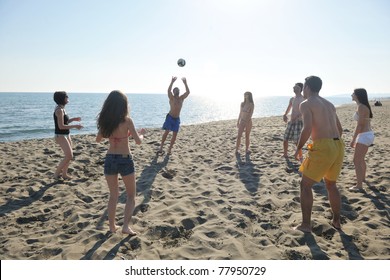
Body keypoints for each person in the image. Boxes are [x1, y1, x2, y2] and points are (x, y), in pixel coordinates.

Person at [293, 76, 344, 232]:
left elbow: (307, 128)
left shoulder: (306, 104)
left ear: (306, 87)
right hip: (338, 145)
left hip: (323, 146)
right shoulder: (329, 104)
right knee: (331, 185)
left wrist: (299, 147)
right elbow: (340, 130)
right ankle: (336, 221)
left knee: (305, 185)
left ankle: (306, 225)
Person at [96, 90, 144, 235]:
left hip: (110, 158)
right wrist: (141, 134)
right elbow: (138, 142)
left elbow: (98, 139)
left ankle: (111, 226)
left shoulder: (106, 122)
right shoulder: (127, 121)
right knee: (130, 195)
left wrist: (112, 136)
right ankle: (125, 227)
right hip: (125, 159)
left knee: (113, 195)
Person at [53, 91, 83, 179]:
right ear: (62, 99)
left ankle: (64, 174)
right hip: (60, 135)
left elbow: (65, 122)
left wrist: (73, 119)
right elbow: (61, 126)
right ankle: (56, 174)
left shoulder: (62, 109)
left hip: (66, 134)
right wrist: (75, 126)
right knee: (69, 156)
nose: (68, 98)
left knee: (69, 156)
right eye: (66, 97)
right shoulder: (59, 110)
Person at [158, 76, 190, 155]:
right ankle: (161, 147)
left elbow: (188, 92)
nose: (177, 91)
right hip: (170, 117)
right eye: (175, 90)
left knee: (175, 135)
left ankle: (169, 149)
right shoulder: (171, 98)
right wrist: (172, 82)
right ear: (173, 91)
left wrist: (185, 83)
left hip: (177, 119)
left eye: (178, 90)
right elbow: (168, 90)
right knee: (167, 132)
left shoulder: (181, 98)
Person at [350, 88, 374, 191]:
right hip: (367, 134)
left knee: (356, 160)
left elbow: (360, 125)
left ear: (357, 95)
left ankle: (359, 185)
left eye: (353, 93)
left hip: (364, 135)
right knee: (361, 159)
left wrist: (353, 139)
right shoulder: (362, 106)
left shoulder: (361, 107)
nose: (351, 95)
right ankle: (362, 179)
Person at [282, 83, 305, 159]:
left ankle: (300, 156)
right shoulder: (292, 98)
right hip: (291, 121)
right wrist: (285, 114)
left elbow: (304, 111)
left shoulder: (303, 98)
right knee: (285, 138)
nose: (294, 89)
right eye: (294, 87)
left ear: (300, 89)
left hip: (299, 122)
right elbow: (289, 108)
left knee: (297, 140)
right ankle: (285, 154)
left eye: (296, 87)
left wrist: (298, 116)